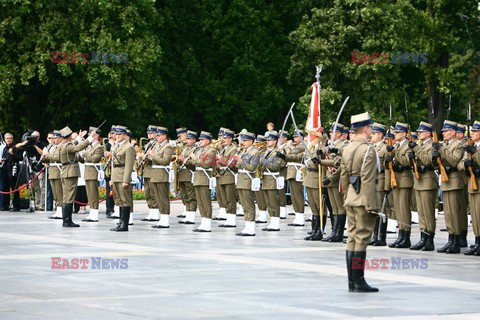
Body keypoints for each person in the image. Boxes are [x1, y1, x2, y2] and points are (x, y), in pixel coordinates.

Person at [341, 112, 379, 293]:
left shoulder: (347, 148)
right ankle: (359, 280)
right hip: (363, 199)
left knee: (352, 238)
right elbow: (368, 180)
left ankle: (351, 281)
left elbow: (343, 176)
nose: (371, 130)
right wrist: (372, 206)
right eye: (370, 127)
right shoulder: (368, 150)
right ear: (365, 129)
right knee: (362, 239)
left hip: (350, 198)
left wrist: (346, 197)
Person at [433, 120, 465, 253]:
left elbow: (453, 161)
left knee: (454, 214)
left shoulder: (458, 145)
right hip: (446, 182)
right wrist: (435, 158)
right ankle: (450, 239)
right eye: (443, 131)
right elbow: (438, 164)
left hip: (454, 182)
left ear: (453, 132)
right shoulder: (445, 145)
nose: (444, 133)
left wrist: (441, 149)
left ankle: (456, 241)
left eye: (446, 131)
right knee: (448, 214)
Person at [408, 121, 437, 251]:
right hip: (418, 181)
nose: (418, 133)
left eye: (421, 131)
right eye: (418, 131)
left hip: (428, 181)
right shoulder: (420, 145)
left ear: (428, 133)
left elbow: (428, 160)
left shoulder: (433, 145)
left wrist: (416, 149)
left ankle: (429, 239)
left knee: (428, 212)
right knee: (421, 212)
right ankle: (423, 237)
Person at [57, 126, 95, 227]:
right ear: (69, 137)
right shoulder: (67, 146)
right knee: (69, 197)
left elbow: (73, 145)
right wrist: (90, 138)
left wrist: (78, 138)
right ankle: (67, 221)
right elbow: (78, 147)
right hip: (70, 172)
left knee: (66, 197)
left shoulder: (62, 145)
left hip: (66, 172)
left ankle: (66, 220)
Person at [386, 122, 414, 248]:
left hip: (405, 180)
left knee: (404, 209)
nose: (395, 135)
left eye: (397, 132)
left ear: (404, 133)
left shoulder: (408, 146)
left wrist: (394, 153)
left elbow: (407, 162)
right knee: (398, 209)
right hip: (396, 180)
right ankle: (401, 235)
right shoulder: (396, 146)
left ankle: (406, 236)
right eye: (395, 132)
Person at [320, 123, 347, 242]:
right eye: (330, 132)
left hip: (336, 179)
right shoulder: (331, 145)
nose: (331, 134)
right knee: (334, 208)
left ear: (340, 133)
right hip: (329, 177)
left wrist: (330, 177)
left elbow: (339, 163)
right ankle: (334, 232)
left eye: (333, 132)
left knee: (340, 207)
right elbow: (327, 157)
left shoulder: (343, 145)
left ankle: (339, 233)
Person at [109, 125, 135, 232]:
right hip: (116, 175)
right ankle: (120, 221)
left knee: (125, 200)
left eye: (120, 134)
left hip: (122, 175)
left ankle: (125, 224)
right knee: (118, 200)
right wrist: (112, 178)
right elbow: (112, 164)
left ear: (125, 135)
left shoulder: (128, 147)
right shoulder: (115, 146)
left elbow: (129, 165)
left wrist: (126, 180)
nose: (118, 136)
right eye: (117, 134)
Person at [189, 131, 216, 232]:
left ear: (208, 141)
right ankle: (203, 222)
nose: (200, 141)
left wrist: (194, 159)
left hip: (205, 178)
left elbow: (206, 164)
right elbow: (195, 163)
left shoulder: (211, 151)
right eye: (199, 139)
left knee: (206, 202)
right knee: (200, 202)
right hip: (198, 178)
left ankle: (207, 223)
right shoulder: (199, 150)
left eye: (202, 139)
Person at [278, 130, 306, 226]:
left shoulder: (303, 146)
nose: (294, 138)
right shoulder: (294, 146)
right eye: (294, 137)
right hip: (291, 171)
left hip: (297, 171)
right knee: (294, 196)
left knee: (298, 195)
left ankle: (301, 216)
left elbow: (290, 155)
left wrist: (288, 145)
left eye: (297, 137)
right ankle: (297, 216)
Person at [367, 123, 389, 246]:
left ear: (380, 135)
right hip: (372, 182)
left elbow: (387, 169)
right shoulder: (371, 147)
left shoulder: (385, 149)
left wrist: (386, 186)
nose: (371, 135)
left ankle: (381, 237)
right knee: (374, 211)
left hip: (380, 182)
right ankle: (375, 235)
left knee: (381, 211)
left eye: (374, 133)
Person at [234, 131, 259, 236]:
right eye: (242, 140)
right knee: (244, 205)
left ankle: (251, 228)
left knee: (249, 205)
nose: (243, 142)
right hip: (241, 180)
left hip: (248, 180)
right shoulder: (243, 151)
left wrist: (240, 160)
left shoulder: (255, 152)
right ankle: (247, 226)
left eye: (245, 140)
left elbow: (252, 167)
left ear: (251, 141)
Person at [149, 127, 174, 229]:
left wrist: (153, 155)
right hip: (155, 174)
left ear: (164, 136)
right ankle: (161, 218)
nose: (157, 137)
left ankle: (165, 219)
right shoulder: (157, 146)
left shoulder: (168, 147)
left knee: (163, 198)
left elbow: (165, 161)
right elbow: (153, 159)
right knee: (158, 198)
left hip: (162, 175)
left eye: (159, 135)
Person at [260, 131, 285, 231]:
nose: (267, 141)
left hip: (273, 179)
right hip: (265, 179)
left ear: (275, 141)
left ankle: (276, 223)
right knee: (268, 202)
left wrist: (262, 161)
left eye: (270, 140)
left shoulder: (279, 152)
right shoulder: (266, 151)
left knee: (274, 202)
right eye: (267, 140)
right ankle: (272, 222)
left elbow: (275, 166)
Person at [463, 120, 480, 255]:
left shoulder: (475, 148)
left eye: (475, 131)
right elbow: (461, 163)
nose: (472, 133)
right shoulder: (471, 146)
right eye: (472, 131)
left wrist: (474, 154)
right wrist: (466, 167)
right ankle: (477, 241)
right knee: (474, 215)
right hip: (472, 184)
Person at [81, 127, 104, 222]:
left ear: (97, 136)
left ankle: (95, 213)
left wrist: (85, 153)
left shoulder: (99, 147)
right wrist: (80, 155)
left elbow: (94, 159)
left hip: (93, 173)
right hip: (88, 172)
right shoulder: (90, 146)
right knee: (89, 194)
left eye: (92, 134)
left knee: (93, 194)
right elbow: (84, 160)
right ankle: (91, 212)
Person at [216, 129, 238, 228]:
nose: (223, 140)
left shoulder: (233, 149)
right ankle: (228, 218)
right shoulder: (223, 149)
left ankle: (232, 219)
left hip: (229, 176)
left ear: (230, 139)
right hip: (222, 175)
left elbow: (231, 163)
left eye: (225, 138)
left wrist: (219, 158)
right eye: (223, 137)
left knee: (230, 199)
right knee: (225, 199)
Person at [176, 130, 199, 225]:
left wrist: (183, 159)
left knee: (191, 196)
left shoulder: (196, 149)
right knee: (184, 196)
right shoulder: (185, 149)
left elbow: (195, 163)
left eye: (189, 139)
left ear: (194, 140)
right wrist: (178, 160)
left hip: (189, 174)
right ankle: (187, 214)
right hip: (182, 175)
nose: (187, 141)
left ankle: (192, 216)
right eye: (187, 139)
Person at [139, 125, 160, 222]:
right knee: (147, 193)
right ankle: (151, 212)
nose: (149, 135)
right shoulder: (147, 145)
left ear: (156, 134)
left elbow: (156, 158)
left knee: (153, 193)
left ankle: (155, 213)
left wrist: (146, 157)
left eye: (151, 133)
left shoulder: (157, 145)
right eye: (148, 133)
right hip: (146, 171)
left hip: (153, 170)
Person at [42, 130, 63, 219]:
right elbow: (50, 158)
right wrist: (44, 158)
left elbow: (57, 158)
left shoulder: (61, 147)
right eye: (52, 138)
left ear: (60, 138)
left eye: (55, 138)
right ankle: (58, 210)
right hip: (52, 171)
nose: (53, 140)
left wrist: (47, 154)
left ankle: (61, 210)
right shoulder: (52, 147)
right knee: (55, 193)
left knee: (59, 192)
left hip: (58, 172)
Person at [0, 133, 20, 211]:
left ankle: (16, 206)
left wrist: (12, 154)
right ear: (4, 140)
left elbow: (19, 158)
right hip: (4, 170)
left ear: (12, 139)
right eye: (7, 138)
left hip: (12, 170)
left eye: (10, 138)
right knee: (5, 188)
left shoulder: (16, 148)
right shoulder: (5, 148)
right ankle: (5, 205)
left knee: (14, 188)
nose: (8, 139)